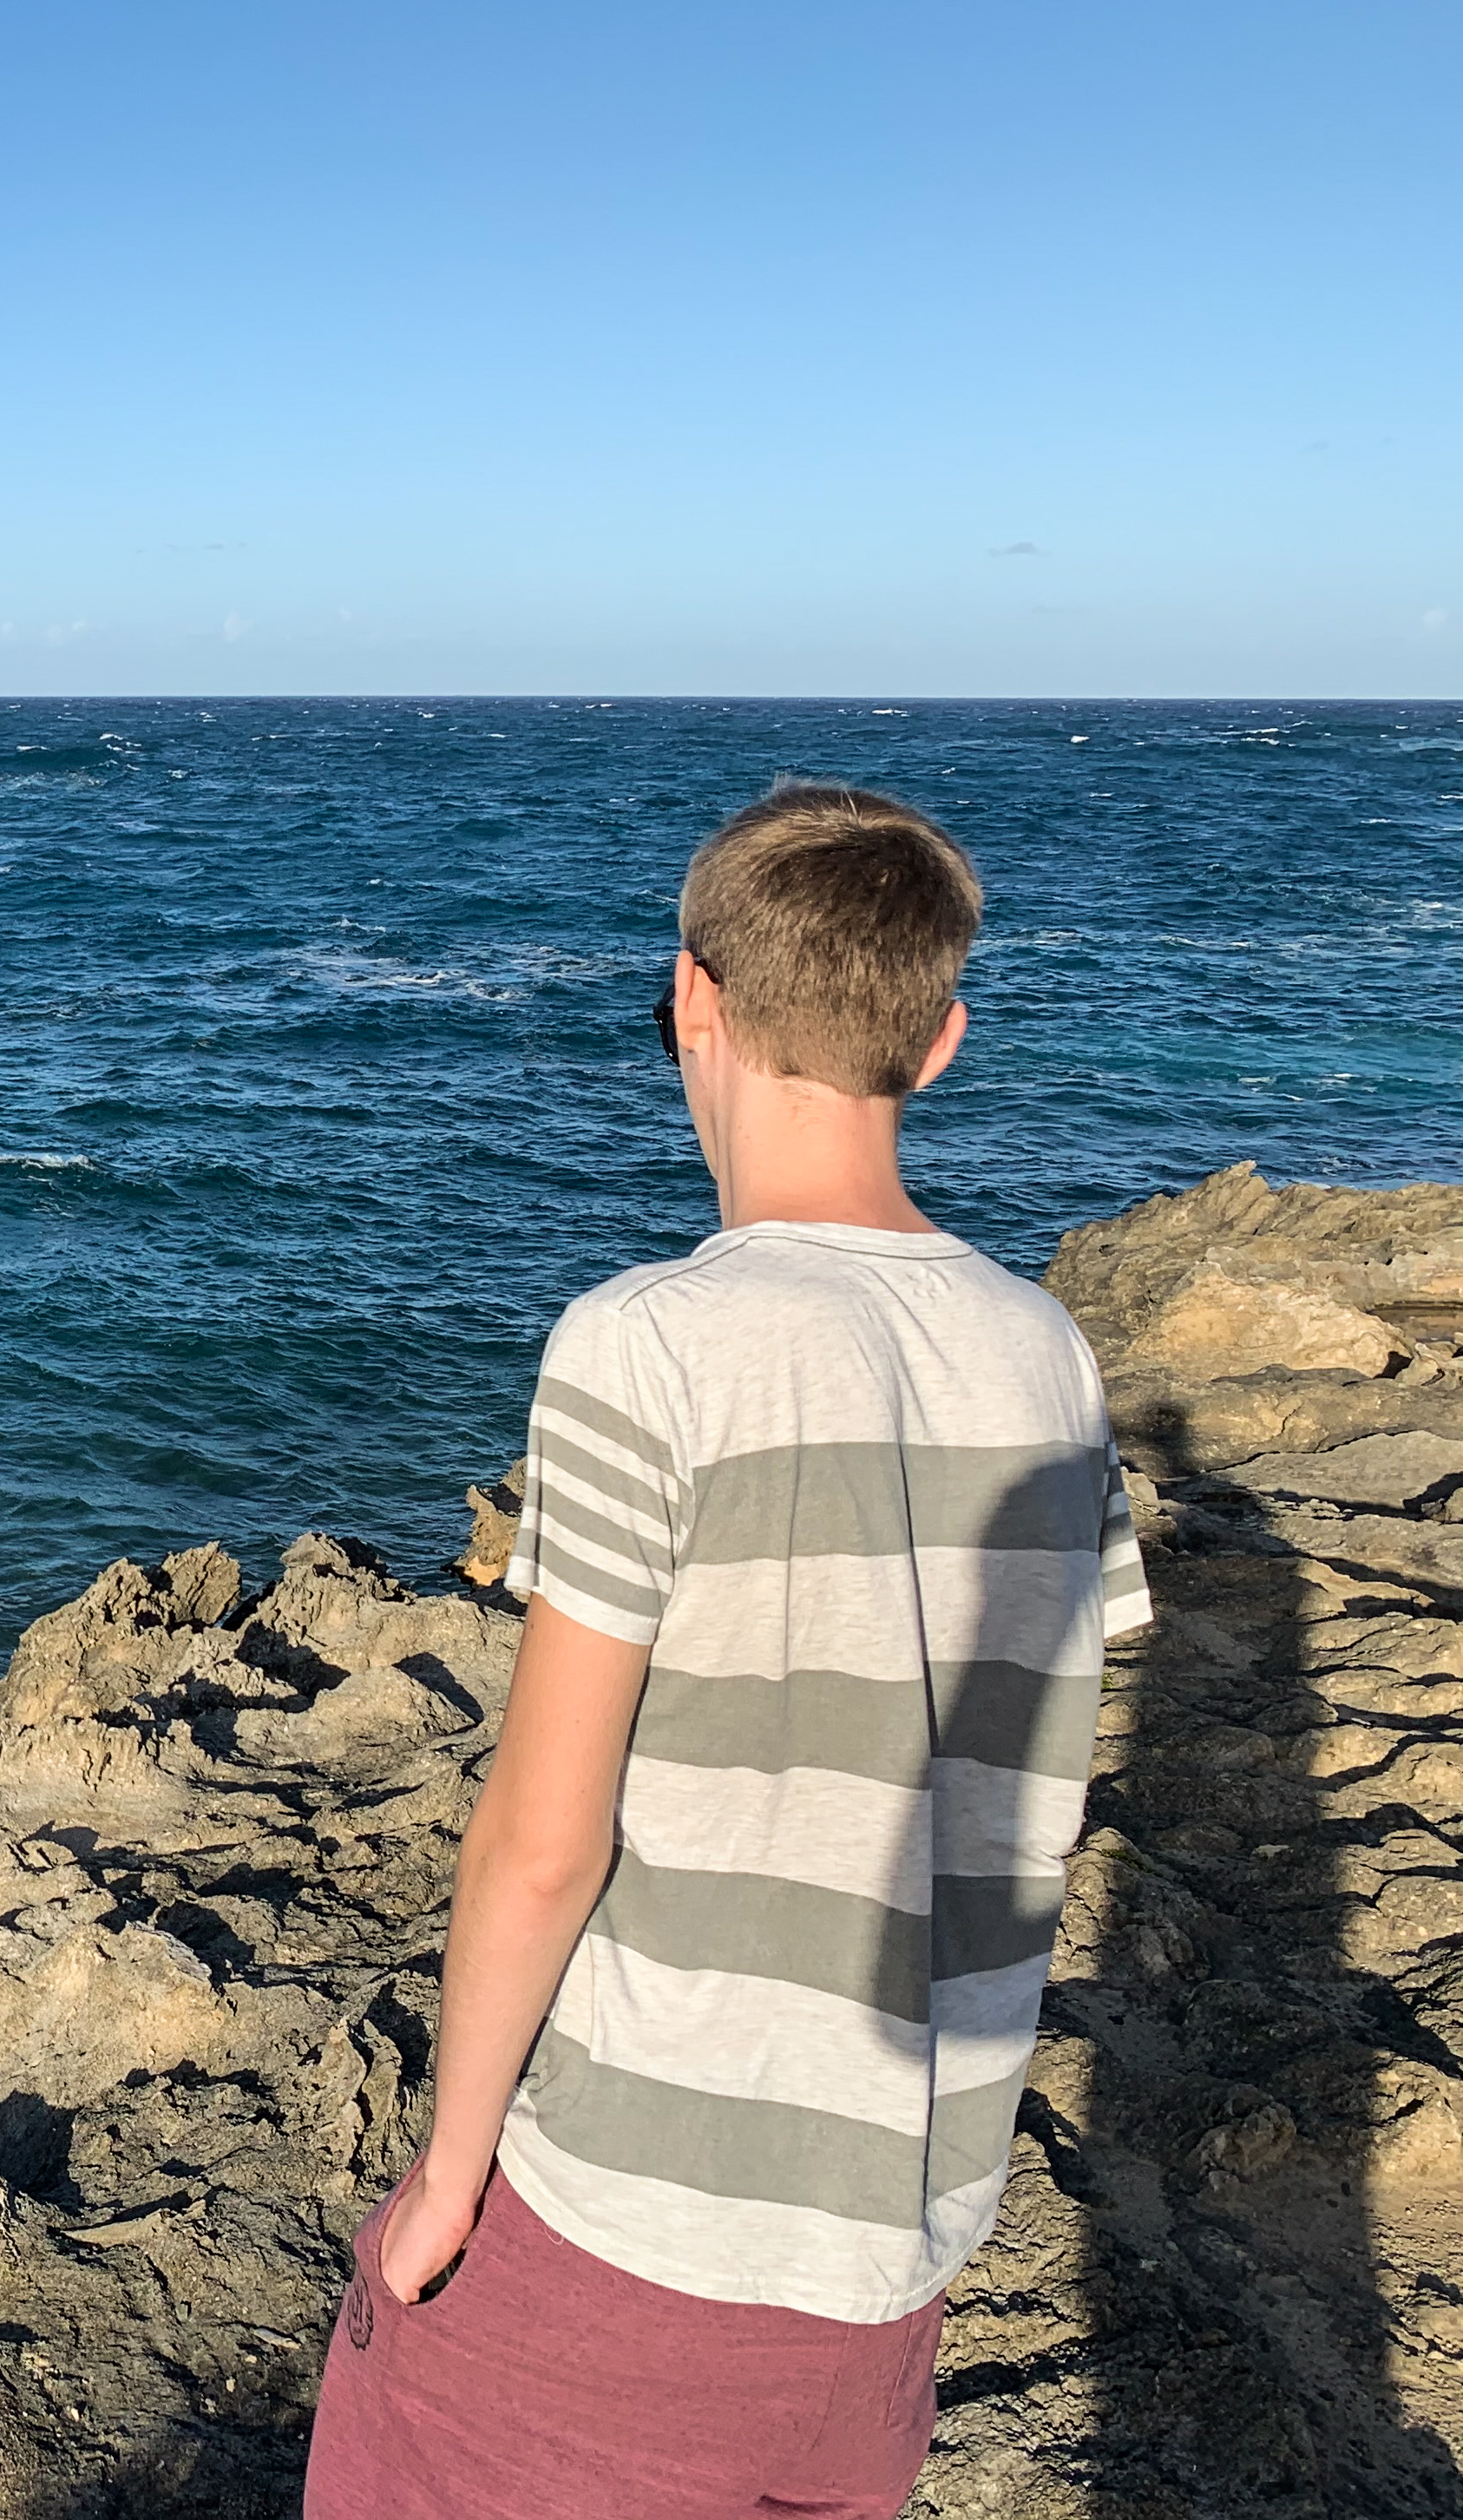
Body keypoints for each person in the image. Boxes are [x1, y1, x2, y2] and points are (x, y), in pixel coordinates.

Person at [303, 784, 1149, 2518]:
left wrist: (454, 2172)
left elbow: (543, 1841)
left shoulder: (654, 1345)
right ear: (945, 1038)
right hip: (896, 2256)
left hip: (639, 2223)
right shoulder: (1046, 1355)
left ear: (694, 1000)